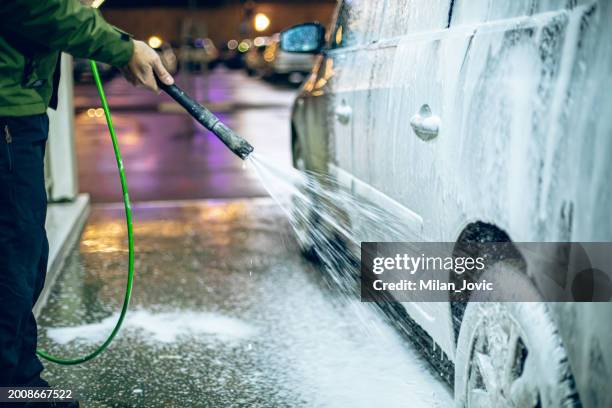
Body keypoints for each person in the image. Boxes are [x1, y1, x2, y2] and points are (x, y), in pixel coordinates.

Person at [0, 0, 174, 405]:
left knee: (23, 257)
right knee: (10, 263)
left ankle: (22, 383)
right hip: (7, 114)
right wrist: (124, 48)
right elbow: (36, 7)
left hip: (18, 109)